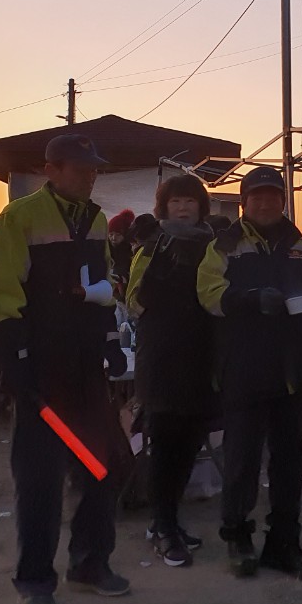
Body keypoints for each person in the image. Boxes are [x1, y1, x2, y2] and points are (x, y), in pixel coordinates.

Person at [0, 133, 131, 604]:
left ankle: (90, 563)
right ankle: (35, 581)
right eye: (80, 168)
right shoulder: (19, 218)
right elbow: (3, 291)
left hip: (86, 367)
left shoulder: (96, 220)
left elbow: (103, 284)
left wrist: (109, 339)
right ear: (51, 170)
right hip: (42, 370)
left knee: (103, 466)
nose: (89, 176)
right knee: (40, 479)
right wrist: (15, 357)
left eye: (93, 168)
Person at [197, 166, 302, 581]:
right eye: (257, 196)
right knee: (242, 460)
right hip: (243, 368)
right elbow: (208, 293)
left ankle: (284, 543)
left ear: (283, 201)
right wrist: (250, 299)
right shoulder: (224, 246)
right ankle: (238, 537)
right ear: (244, 202)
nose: (265, 203)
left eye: (273, 196)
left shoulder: (301, 248)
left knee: (290, 463)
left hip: (292, 370)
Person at [126, 174, 217, 567]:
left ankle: (167, 520)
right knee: (163, 441)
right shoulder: (152, 244)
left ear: (201, 207)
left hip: (201, 355)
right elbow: (133, 301)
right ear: (164, 206)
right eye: (176, 201)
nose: (183, 208)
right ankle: (163, 526)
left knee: (191, 440)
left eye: (190, 201)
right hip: (161, 356)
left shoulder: (213, 244)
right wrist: (155, 281)